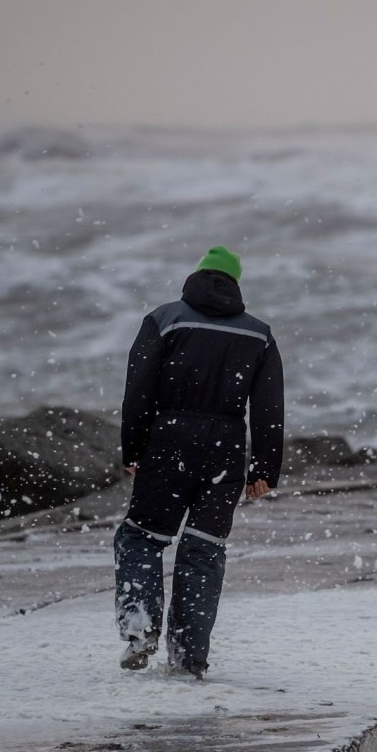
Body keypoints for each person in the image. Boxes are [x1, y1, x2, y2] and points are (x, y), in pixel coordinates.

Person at [113, 245, 284, 678]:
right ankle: (189, 659)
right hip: (225, 447)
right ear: (236, 283)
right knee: (203, 550)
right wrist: (264, 469)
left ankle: (141, 628)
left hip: (168, 441)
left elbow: (139, 388)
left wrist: (133, 447)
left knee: (141, 538)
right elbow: (268, 406)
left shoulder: (166, 319)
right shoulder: (258, 334)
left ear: (196, 277)